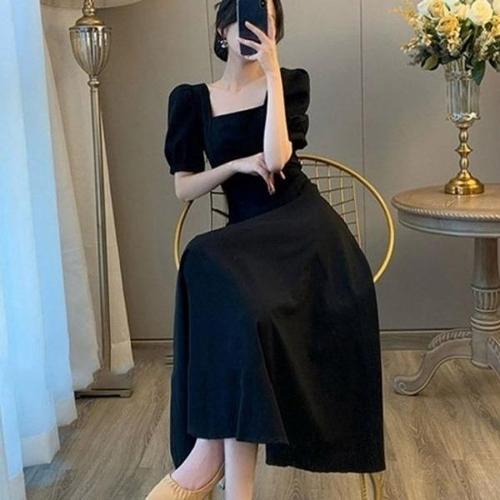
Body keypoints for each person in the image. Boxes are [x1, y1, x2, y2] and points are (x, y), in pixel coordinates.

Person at [146, 1, 386, 499]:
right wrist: (233, 167)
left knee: (232, 303)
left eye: (268, 22)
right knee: (209, 270)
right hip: (247, 239)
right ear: (222, 28)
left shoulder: (289, 82)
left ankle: (208, 461)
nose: (255, 30)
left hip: (303, 228)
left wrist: (272, 75)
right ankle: (223, 471)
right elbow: (184, 188)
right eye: (246, 18)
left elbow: (278, 158)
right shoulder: (191, 100)